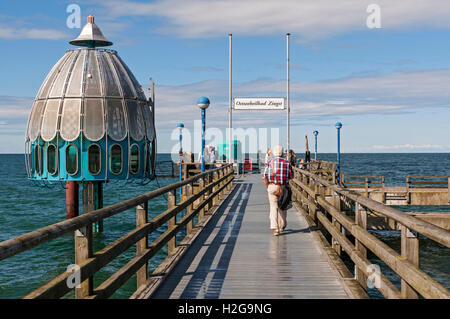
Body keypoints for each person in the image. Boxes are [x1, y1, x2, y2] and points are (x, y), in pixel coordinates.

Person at [263, 145, 294, 236]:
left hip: (272, 186)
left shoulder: (270, 162)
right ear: (282, 152)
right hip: (283, 187)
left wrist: (268, 184)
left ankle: (275, 228)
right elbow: (291, 176)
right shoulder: (287, 163)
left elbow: (265, 175)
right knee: (283, 206)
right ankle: (282, 225)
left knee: (273, 207)